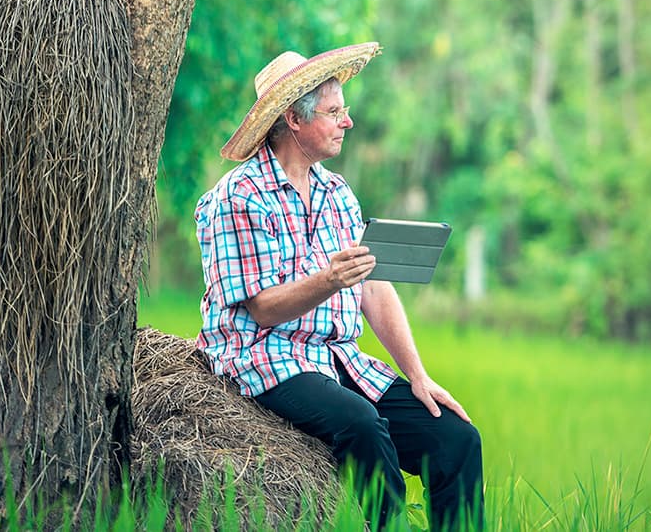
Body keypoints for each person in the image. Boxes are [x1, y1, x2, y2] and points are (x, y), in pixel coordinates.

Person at [193, 43, 483, 530]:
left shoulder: (337, 193)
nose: (347, 122)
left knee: (455, 439)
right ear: (293, 120)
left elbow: (374, 288)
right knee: (363, 427)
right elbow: (262, 309)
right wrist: (329, 278)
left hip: (336, 357)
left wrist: (418, 375)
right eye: (334, 112)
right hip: (265, 357)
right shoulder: (237, 197)